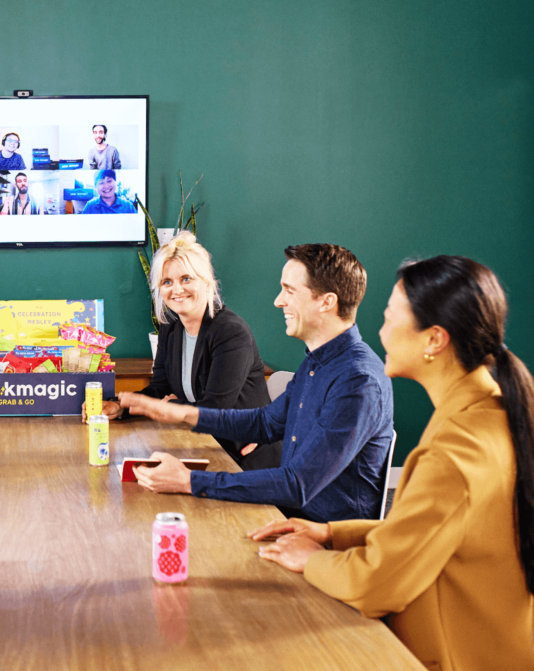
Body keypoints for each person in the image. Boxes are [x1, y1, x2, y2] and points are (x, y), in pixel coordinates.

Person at [254, 256, 534, 671]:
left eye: (388, 317)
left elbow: (376, 584)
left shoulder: (456, 450)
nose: (379, 331)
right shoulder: (489, 413)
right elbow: (429, 533)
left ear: (434, 340)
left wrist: (310, 558)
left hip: (447, 654)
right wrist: (331, 532)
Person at [121, 244, 394, 522]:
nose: (278, 301)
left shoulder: (358, 380)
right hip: (289, 510)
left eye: (289, 290)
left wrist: (190, 481)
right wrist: (181, 413)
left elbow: (297, 485)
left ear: (326, 302)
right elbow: (265, 424)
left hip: (324, 534)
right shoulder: (317, 361)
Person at [85, 233, 278, 469]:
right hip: (200, 444)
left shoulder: (230, 333)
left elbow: (215, 412)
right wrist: (119, 406)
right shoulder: (171, 327)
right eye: (167, 282)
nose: (176, 289)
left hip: (242, 456)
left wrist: (175, 405)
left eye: (186, 279)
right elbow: (160, 389)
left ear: (206, 282)